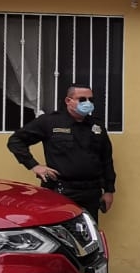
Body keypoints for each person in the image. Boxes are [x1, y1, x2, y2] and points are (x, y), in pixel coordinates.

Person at [6, 83, 115, 220]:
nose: (87, 103)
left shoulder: (96, 125)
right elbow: (16, 141)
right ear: (68, 101)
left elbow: (106, 159)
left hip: (91, 192)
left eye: (90, 100)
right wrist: (34, 166)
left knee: (87, 234)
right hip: (61, 190)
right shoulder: (50, 122)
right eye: (82, 99)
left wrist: (109, 190)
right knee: (60, 233)